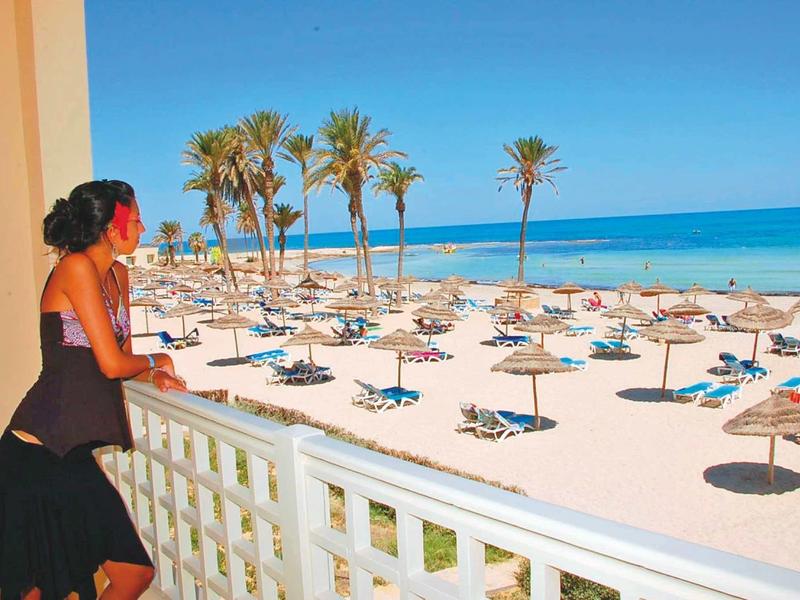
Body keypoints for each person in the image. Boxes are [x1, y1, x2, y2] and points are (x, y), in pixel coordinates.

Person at [0, 181, 187, 599]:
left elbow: (123, 360)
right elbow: (111, 363)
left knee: (129, 573)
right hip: (35, 451)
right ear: (111, 228)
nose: (143, 227)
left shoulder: (118, 276)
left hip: (68, 453)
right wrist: (160, 360)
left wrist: (152, 374)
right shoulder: (75, 268)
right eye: (135, 219)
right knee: (38, 587)